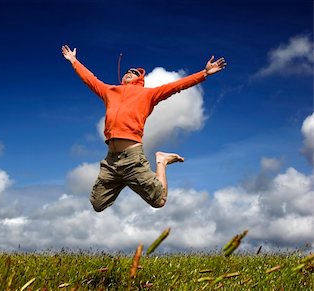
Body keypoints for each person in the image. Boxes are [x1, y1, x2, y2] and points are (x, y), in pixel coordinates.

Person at [62, 45, 226, 212]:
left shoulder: (148, 94)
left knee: (159, 200)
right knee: (97, 204)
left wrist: (203, 73)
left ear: (139, 78)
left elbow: (176, 86)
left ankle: (162, 161)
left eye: (134, 72)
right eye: (127, 71)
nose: (129, 72)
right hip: (111, 161)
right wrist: (74, 61)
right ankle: (125, 180)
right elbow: (90, 79)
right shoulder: (109, 91)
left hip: (132, 158)